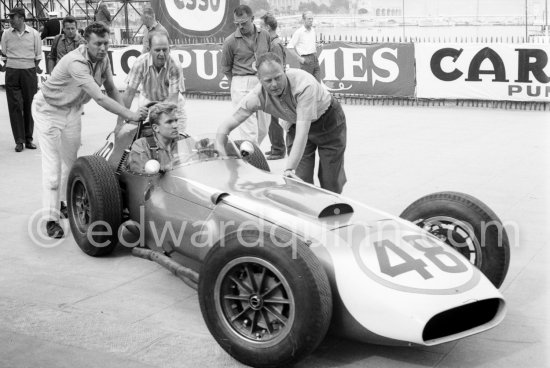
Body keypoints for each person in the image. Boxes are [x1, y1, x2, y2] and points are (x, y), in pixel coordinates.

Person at [31, 22, 148, 238]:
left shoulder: (103, 59)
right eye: (98, 44)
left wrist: (123, 119)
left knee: (70, 162)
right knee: (53, 170)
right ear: (86, 42)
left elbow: (112, 88)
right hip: (48, 111)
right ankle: (50, 219)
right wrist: (131, 115)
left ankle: (64, 204)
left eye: (105, 43)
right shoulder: (76, 62)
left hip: (72, 110)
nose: (103, 48)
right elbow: (101, 97)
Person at [218, 52, 346, 194]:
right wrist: (220, 149)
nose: (274, 85)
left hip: (328, 122)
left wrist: (289, 168)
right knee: (300, 179)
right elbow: (227, 125)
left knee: (331, 181)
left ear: (284, 70)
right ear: (259, 78)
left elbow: (302, 134)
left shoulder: (304, 85)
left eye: (278, 78)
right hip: (294, 124)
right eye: (268, 80)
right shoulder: (256, 96)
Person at [221, 5, 271, 146]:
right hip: (241, 82)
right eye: (237, 24)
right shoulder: (230, 41)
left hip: (262, 82)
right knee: (249, 132)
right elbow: (225, 68)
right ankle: (251, 162)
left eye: (244, 23)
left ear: (253, 19)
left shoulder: (265, 35)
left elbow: (269, 58)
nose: (240, 26)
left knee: (263, 129)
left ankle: (250, 154)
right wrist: (236, 84)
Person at [122, 31, 186, 131]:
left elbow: (172, 100)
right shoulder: (140, 63)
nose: (162, 54)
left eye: (165, 50)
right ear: (149, 50)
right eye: (157, 50)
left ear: (170, 49)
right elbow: (129, 94)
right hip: (148, 103)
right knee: (145, 138)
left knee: (176, 138)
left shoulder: (175, 65)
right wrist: (121, 121)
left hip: (171, 104)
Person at [1, 7, 42, 152]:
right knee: (15, 105)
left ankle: (29, 138)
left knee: (29, 105)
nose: (10, 20)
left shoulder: (34, 34)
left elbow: (38, 56)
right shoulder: (6, 34)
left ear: (22, 19)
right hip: (12, 72)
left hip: (29, 72)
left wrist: (28, 67)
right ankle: (19, 140)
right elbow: (4, 54)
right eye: (10, 17)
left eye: (13, 17)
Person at [260, 12, 287, 160]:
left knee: (274, 118)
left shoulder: (275, 45)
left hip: (276, 86)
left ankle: (278, 149)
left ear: (268, 27)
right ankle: (275, 147)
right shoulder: (274, 43)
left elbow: (278, 67)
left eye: (261, 26)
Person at [127, 102, 183, 173]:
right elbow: (141, 178)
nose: (175, 126)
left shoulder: (184, 140)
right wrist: (165, 169)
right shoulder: (141, 146)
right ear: (156, 128)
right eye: (169, 122)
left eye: (176, 120)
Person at [287, 11, 320, 81]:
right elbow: (289, 47)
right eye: (309, 19)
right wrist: (300, 59)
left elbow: (308, 44)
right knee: (308, 83)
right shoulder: (299, 32)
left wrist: (316, 45)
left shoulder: (313, 30)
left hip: (314, 58)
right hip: (306, 60)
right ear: (303, 20)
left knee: (317, 83)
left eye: (312, 19)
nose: (311, 20)